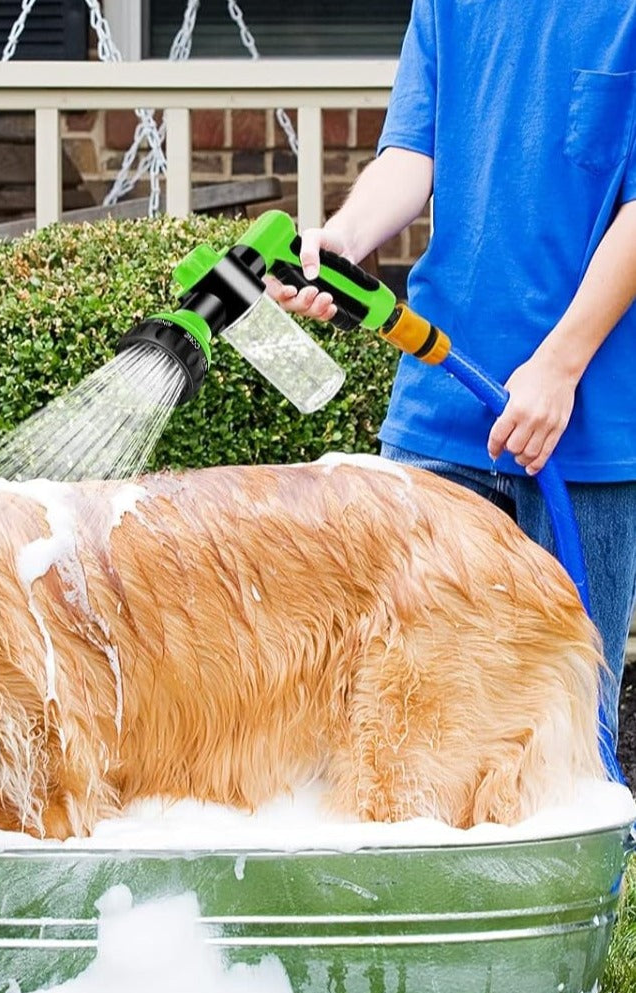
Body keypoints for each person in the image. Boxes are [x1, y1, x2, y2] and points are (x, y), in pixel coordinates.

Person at [271, 1, 636, 734]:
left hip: (581, 421)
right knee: (397, 702)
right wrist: (342, 239)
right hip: (438, 406)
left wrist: (558, 366)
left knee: (562, 725)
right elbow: (412, 151)